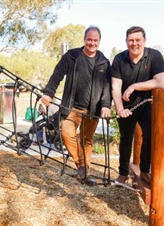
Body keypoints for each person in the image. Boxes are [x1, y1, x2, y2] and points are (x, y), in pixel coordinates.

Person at [41, 26, 112, 186]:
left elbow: (107, 87)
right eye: (89, 39)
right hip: (72, 107)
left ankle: (84, 174)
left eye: (95, 40)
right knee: (66, 134)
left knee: (87, 140)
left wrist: (106, 105)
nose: (92, 43)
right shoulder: (72, 56)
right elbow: (57, 74)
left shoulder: (104, 63)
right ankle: (82, 167)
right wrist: (48, 93)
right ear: (84, 39)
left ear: (99, 41)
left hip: (92, 110)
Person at [111, 26, 164, 184]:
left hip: (147, 104)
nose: (134, 43)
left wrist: (134, 86)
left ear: (144, 40)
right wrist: (120, 109)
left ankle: (144, 170)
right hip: (126, 106)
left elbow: (159, 82)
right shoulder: (119, 59)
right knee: (126, 138)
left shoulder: (154, 56)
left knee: (149, 135)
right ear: (126, 41)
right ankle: (123, 173)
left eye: (137, 40)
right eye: (130, 40)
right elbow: (115, 87)